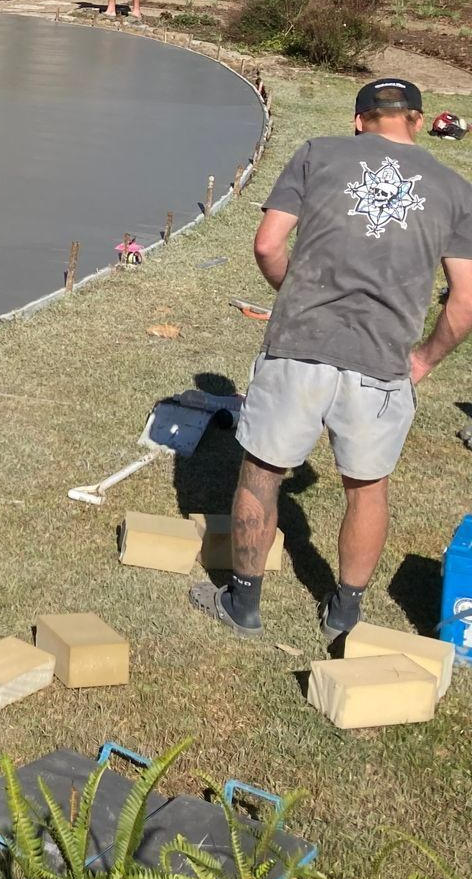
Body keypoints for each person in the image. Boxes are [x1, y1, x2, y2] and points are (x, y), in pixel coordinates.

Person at [192, 78, 472, 642]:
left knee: (263, 472)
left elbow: (268, 244)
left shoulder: (318, 152)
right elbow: (466, 298)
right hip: (384, 357)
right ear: (417, 121)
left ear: (358, 118)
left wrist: (293, 296)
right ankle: (345, 609)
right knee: (366, 486)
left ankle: (242, 603)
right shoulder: (454, 188)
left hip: (300, 343)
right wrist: (423, 359)